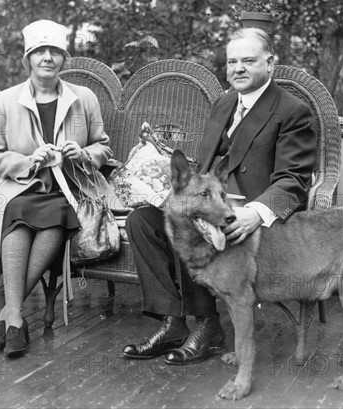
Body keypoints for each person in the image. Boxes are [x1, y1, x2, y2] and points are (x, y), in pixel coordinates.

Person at [122, 28, 317, 365]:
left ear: (271, 63)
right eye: (232, 62)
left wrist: (256, 212)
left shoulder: (292, 112)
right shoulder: (225, 103)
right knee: (143, 221)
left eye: (248, 61)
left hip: (251, 219)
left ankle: (209, 327)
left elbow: (293, 180)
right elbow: (204, 167)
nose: (238, 68)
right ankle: (174, 321)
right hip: (211, 205)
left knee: (195, 230)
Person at [0, 20, 114, 357]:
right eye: (40, 52)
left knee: (56, 212)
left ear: (64, 59)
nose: (47, 58)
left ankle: (10, 316)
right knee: (19, 210)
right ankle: (15, 319)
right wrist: (28, 161)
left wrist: (83, 154)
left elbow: (103, 148)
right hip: (18, 187)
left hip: (68, 189)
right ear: (28, 59)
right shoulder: (5, 101)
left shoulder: (84, 98)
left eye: (54, 52)